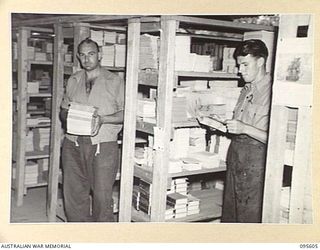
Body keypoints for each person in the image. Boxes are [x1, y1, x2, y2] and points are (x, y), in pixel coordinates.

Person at [60, 38, 124, 222]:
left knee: (102, 197)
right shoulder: (74, 80)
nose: (86, 59)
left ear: (100, 55)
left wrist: (103, 119)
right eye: (82, 55)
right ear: (78, 57)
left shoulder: (115, 81)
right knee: (74, 194)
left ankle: (101, 238)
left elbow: (126, 113)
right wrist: (71, 116)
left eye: (91, 54)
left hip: (102, 145)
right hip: (73, 143)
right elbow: (63, 110)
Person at [221, 39, 272, 223]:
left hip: (257, 164)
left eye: (245, 64)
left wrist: (244, 128)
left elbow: (278, 142)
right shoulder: (246, 89)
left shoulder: (274, 92)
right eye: (238, 65)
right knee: (230, 216)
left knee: (249, 219)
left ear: (260, 62)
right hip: (236, 158)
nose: (239, 70)